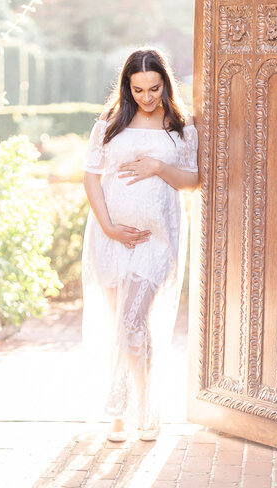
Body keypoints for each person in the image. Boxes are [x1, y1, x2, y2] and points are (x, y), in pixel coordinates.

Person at [81, 47, 199, 442]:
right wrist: (110, 227)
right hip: (111, 238)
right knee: (125, 326)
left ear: (165, 83)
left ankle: (133, 407)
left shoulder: (180, 126)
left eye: (154, 88)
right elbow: (91, 178)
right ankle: (131, 410)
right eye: (138, 89)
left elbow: (192, 180)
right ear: (127, 87)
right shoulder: (110, 123)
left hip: (158, 240)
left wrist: (158, 167)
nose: (147, 97)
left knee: (132, 321)